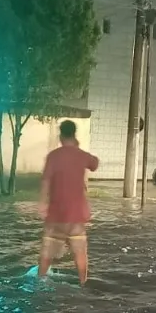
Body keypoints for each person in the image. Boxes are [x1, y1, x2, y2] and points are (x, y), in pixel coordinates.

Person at [38, 120, 99, 285]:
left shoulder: (53, 156)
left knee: (47, 253)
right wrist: (78, 148)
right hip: (76, 217)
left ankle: (41, 282)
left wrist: (43, 204)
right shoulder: (81, 155)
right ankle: (83, 284)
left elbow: (45, 181)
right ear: (74, 135)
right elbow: (95, 163)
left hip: (56, 215)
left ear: (61, 136)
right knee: (80, 253)